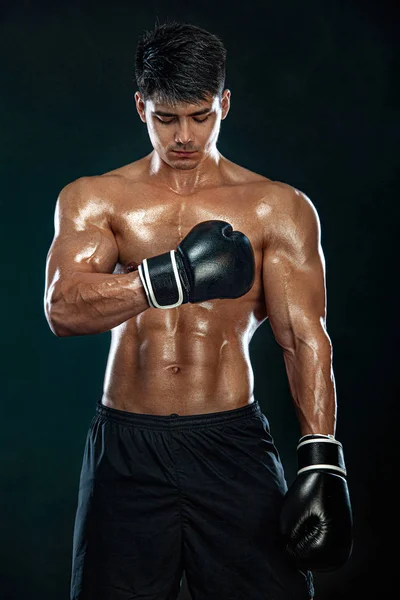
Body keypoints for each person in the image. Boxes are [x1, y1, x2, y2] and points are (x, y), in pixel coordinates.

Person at [44, 20, 352, 600]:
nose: (184, 135)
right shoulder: (95, 198)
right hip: (126, 448)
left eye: (200, 115)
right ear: (141, 106)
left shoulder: (275, 207)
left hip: (230, 443)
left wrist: (321, 460)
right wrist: (173, 277)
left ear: (225, 104)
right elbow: (62, 308)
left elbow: (304, 337)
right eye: (166, 118)